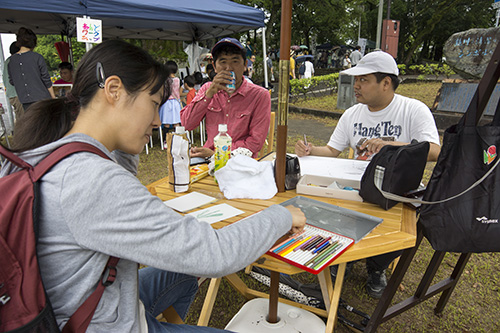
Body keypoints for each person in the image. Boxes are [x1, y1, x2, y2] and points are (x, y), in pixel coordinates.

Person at [0, 39, 306, 332]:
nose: (158, 122)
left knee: (183, 273)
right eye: (154, 103)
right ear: (114, 90)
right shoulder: (93, 180)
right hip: (97, 323)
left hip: (73, 305)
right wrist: (281, 215)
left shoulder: (49, 148)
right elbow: (215, 253)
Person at [295, 51, 441, 299]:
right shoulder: (353, 113)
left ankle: (377, 266)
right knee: (323, 208)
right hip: (357, 188)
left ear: (386, 82)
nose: (357, 86)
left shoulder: (413, 110)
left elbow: (435, 151)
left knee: (402, 232)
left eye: (364, 80)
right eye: (356, 80)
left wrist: (390, 145)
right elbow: (332, 150)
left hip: (397, 190)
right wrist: (310, 150)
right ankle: (343, 260)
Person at [181, 37, 271, 159]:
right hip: (208, 160)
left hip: (241, 161)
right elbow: (186, 124)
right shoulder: (207, 89)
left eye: (235, 61)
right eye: (223, 62)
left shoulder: (259, 95)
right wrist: (209, 94)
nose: (228, 68)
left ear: (245, 65)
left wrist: (218, 153)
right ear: (214, 66)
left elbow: (255, 142)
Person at [7, 27, 56, 111]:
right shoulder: (37, 57)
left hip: (25, 100)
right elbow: (46, 80)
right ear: (33, 42)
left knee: (33, 123)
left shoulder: (11, 61)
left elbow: (12, 81)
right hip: (42, 99)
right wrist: (53, 97)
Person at [159, 60, 182, 136]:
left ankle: (166, 141)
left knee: (166, 123)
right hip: (175, 102)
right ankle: (178, 139)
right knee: (176, 123)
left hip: (166, 103)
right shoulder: (178, 80)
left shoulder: (164, 80)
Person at [2, 42, 24, 123]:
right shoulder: (15, 61)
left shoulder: (7, 61)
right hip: (18, 95)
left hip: (12, 95)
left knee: (19, 118)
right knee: (24, 120)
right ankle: (22, 135)